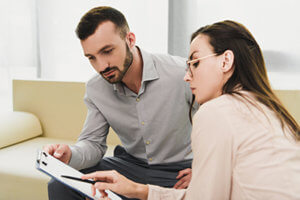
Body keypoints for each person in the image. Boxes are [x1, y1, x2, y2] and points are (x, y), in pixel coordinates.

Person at [82, 20, 300, 200]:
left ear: (226, 61)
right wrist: (138, 190)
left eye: (195, 63)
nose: (186, 76)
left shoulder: (216, 112)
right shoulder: (267, 109)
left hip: (176, 170)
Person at [44, 6, 197, 200]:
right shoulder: (95, 88)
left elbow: (220, 128)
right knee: (61, 184)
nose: (102, 66)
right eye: (92, 58)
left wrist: (203, 169)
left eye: (107, 51)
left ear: (130, 40)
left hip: (178, 172)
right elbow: (93, 143)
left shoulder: (180, 73)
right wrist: (70, 155)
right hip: (130, 166)